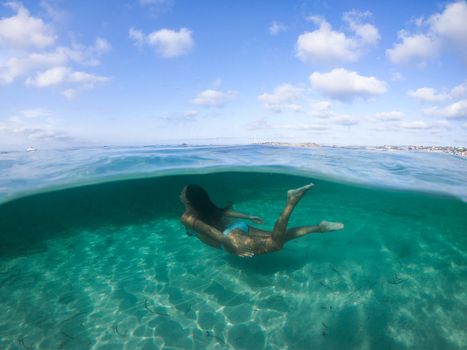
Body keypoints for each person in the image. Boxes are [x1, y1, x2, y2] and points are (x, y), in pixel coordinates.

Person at [180, 183, 343, 257]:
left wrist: (235, 247)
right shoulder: (205, 208)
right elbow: (224, 213)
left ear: (188, 200)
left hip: (229, 238)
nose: (180, 194)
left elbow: (210, 232)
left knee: (276, 244)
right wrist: (248, 217)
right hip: (238, 227)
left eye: (182, 193)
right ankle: (319, 227)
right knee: (279, 236)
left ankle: (291, 201)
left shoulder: (187, 217)